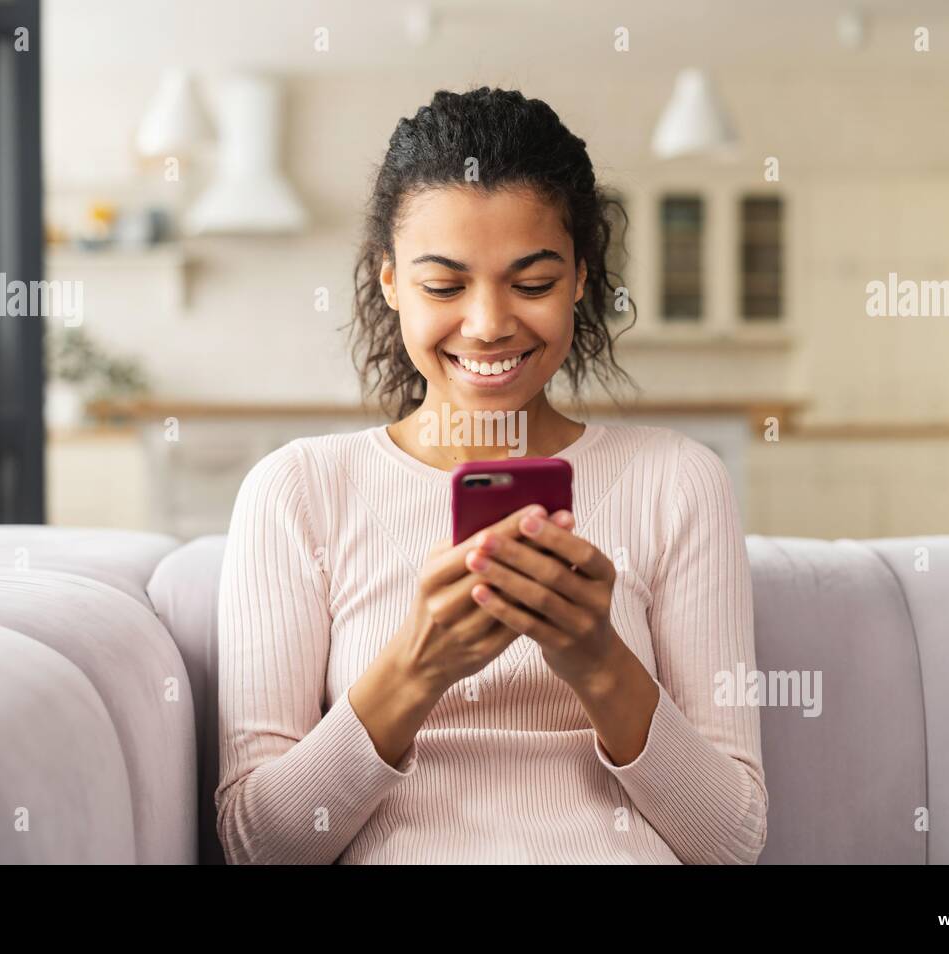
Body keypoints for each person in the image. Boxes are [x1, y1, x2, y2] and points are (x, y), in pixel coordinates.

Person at [215, 86, 767, 864]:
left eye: (533, 283)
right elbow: (260, 846)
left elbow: (731, 842)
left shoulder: (677, 481)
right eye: (444, 285)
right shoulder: (299, 492)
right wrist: (418, 664)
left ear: (581, 279)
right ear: (390, 283)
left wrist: (600, 662)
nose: (487, 324)